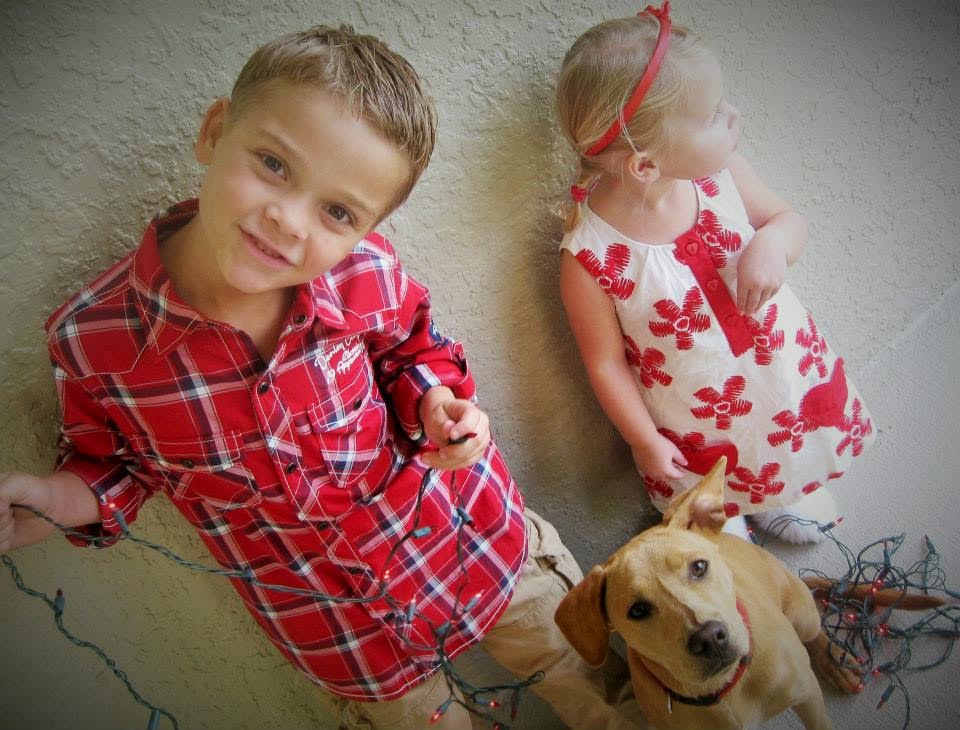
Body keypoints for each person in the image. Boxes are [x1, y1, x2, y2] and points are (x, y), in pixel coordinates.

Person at [0, 25, 640, 730]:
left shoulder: (364, 272)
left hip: (477, 547)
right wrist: (53, 500)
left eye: (337, 212)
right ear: (215, 132)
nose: (288, 220)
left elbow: (412, 350)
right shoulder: (92, 341)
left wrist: (437, 402)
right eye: (273, 164)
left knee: (608, 697)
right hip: (343, 636)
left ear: (366, 228)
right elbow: (116, 465)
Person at [554, 3, 875, 545]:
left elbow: (787, 219)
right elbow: (605, 363)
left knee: (778, 425)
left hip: (773, 366)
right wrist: (643, 440)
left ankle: (781, 491)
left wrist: (773, 243)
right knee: (711, 470)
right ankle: (724, 516)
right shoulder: (588, 257)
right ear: (646, 164)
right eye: (711, 116)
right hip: (693, 406)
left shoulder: (721, 175)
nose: (732, 116)